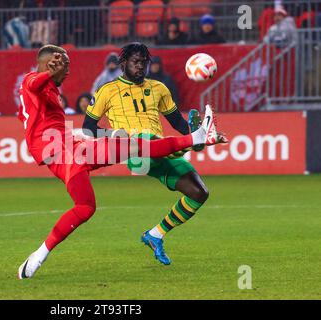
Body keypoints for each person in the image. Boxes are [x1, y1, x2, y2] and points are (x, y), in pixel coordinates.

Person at [17, 44, 225, 279]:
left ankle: (38, 255)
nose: (67, 71)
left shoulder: (52, 90)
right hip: (59, 150)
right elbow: (34, 85)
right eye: (64, 65)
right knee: (136, 144)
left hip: (70, 148)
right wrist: (46, 73)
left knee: (86, 207)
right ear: (49, 64)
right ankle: (197, 137)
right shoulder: (32, 81)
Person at [83, 42, 227, 265]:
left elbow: (177, 122)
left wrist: (189, 132)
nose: (140, 67)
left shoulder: (159, 88)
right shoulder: (107, 90)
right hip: (133, 150)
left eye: (144, 62)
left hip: (159, 149)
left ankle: (155, 234)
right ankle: (200, 139)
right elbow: (88, 128)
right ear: (123, 64)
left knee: (199, 192)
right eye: (135, 62)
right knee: (147, 142)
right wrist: (114, 134)